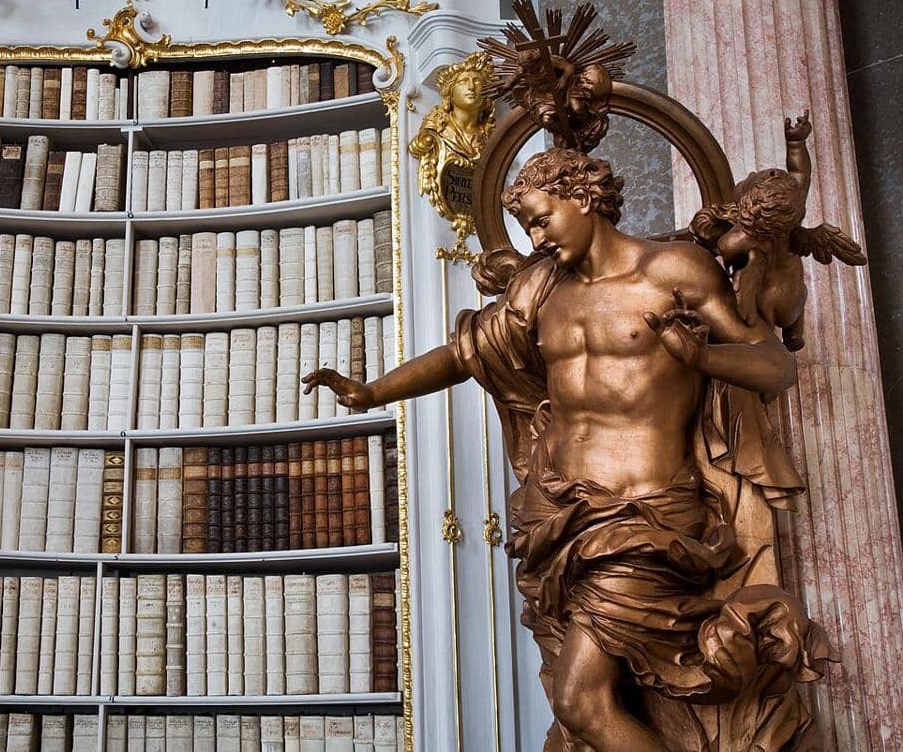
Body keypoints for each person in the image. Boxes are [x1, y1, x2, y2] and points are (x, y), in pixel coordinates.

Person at [303, 147, 829, 751]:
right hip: (558, 521)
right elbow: (466, 352)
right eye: (526, 224)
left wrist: (703, 357)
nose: (534, 237)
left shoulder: (675, 271)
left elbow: (773, 366)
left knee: (581, 702)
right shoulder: (541, 289)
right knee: (589, 701)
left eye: (541, 218)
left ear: (582, 198)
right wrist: (373, 391)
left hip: (645, 517)